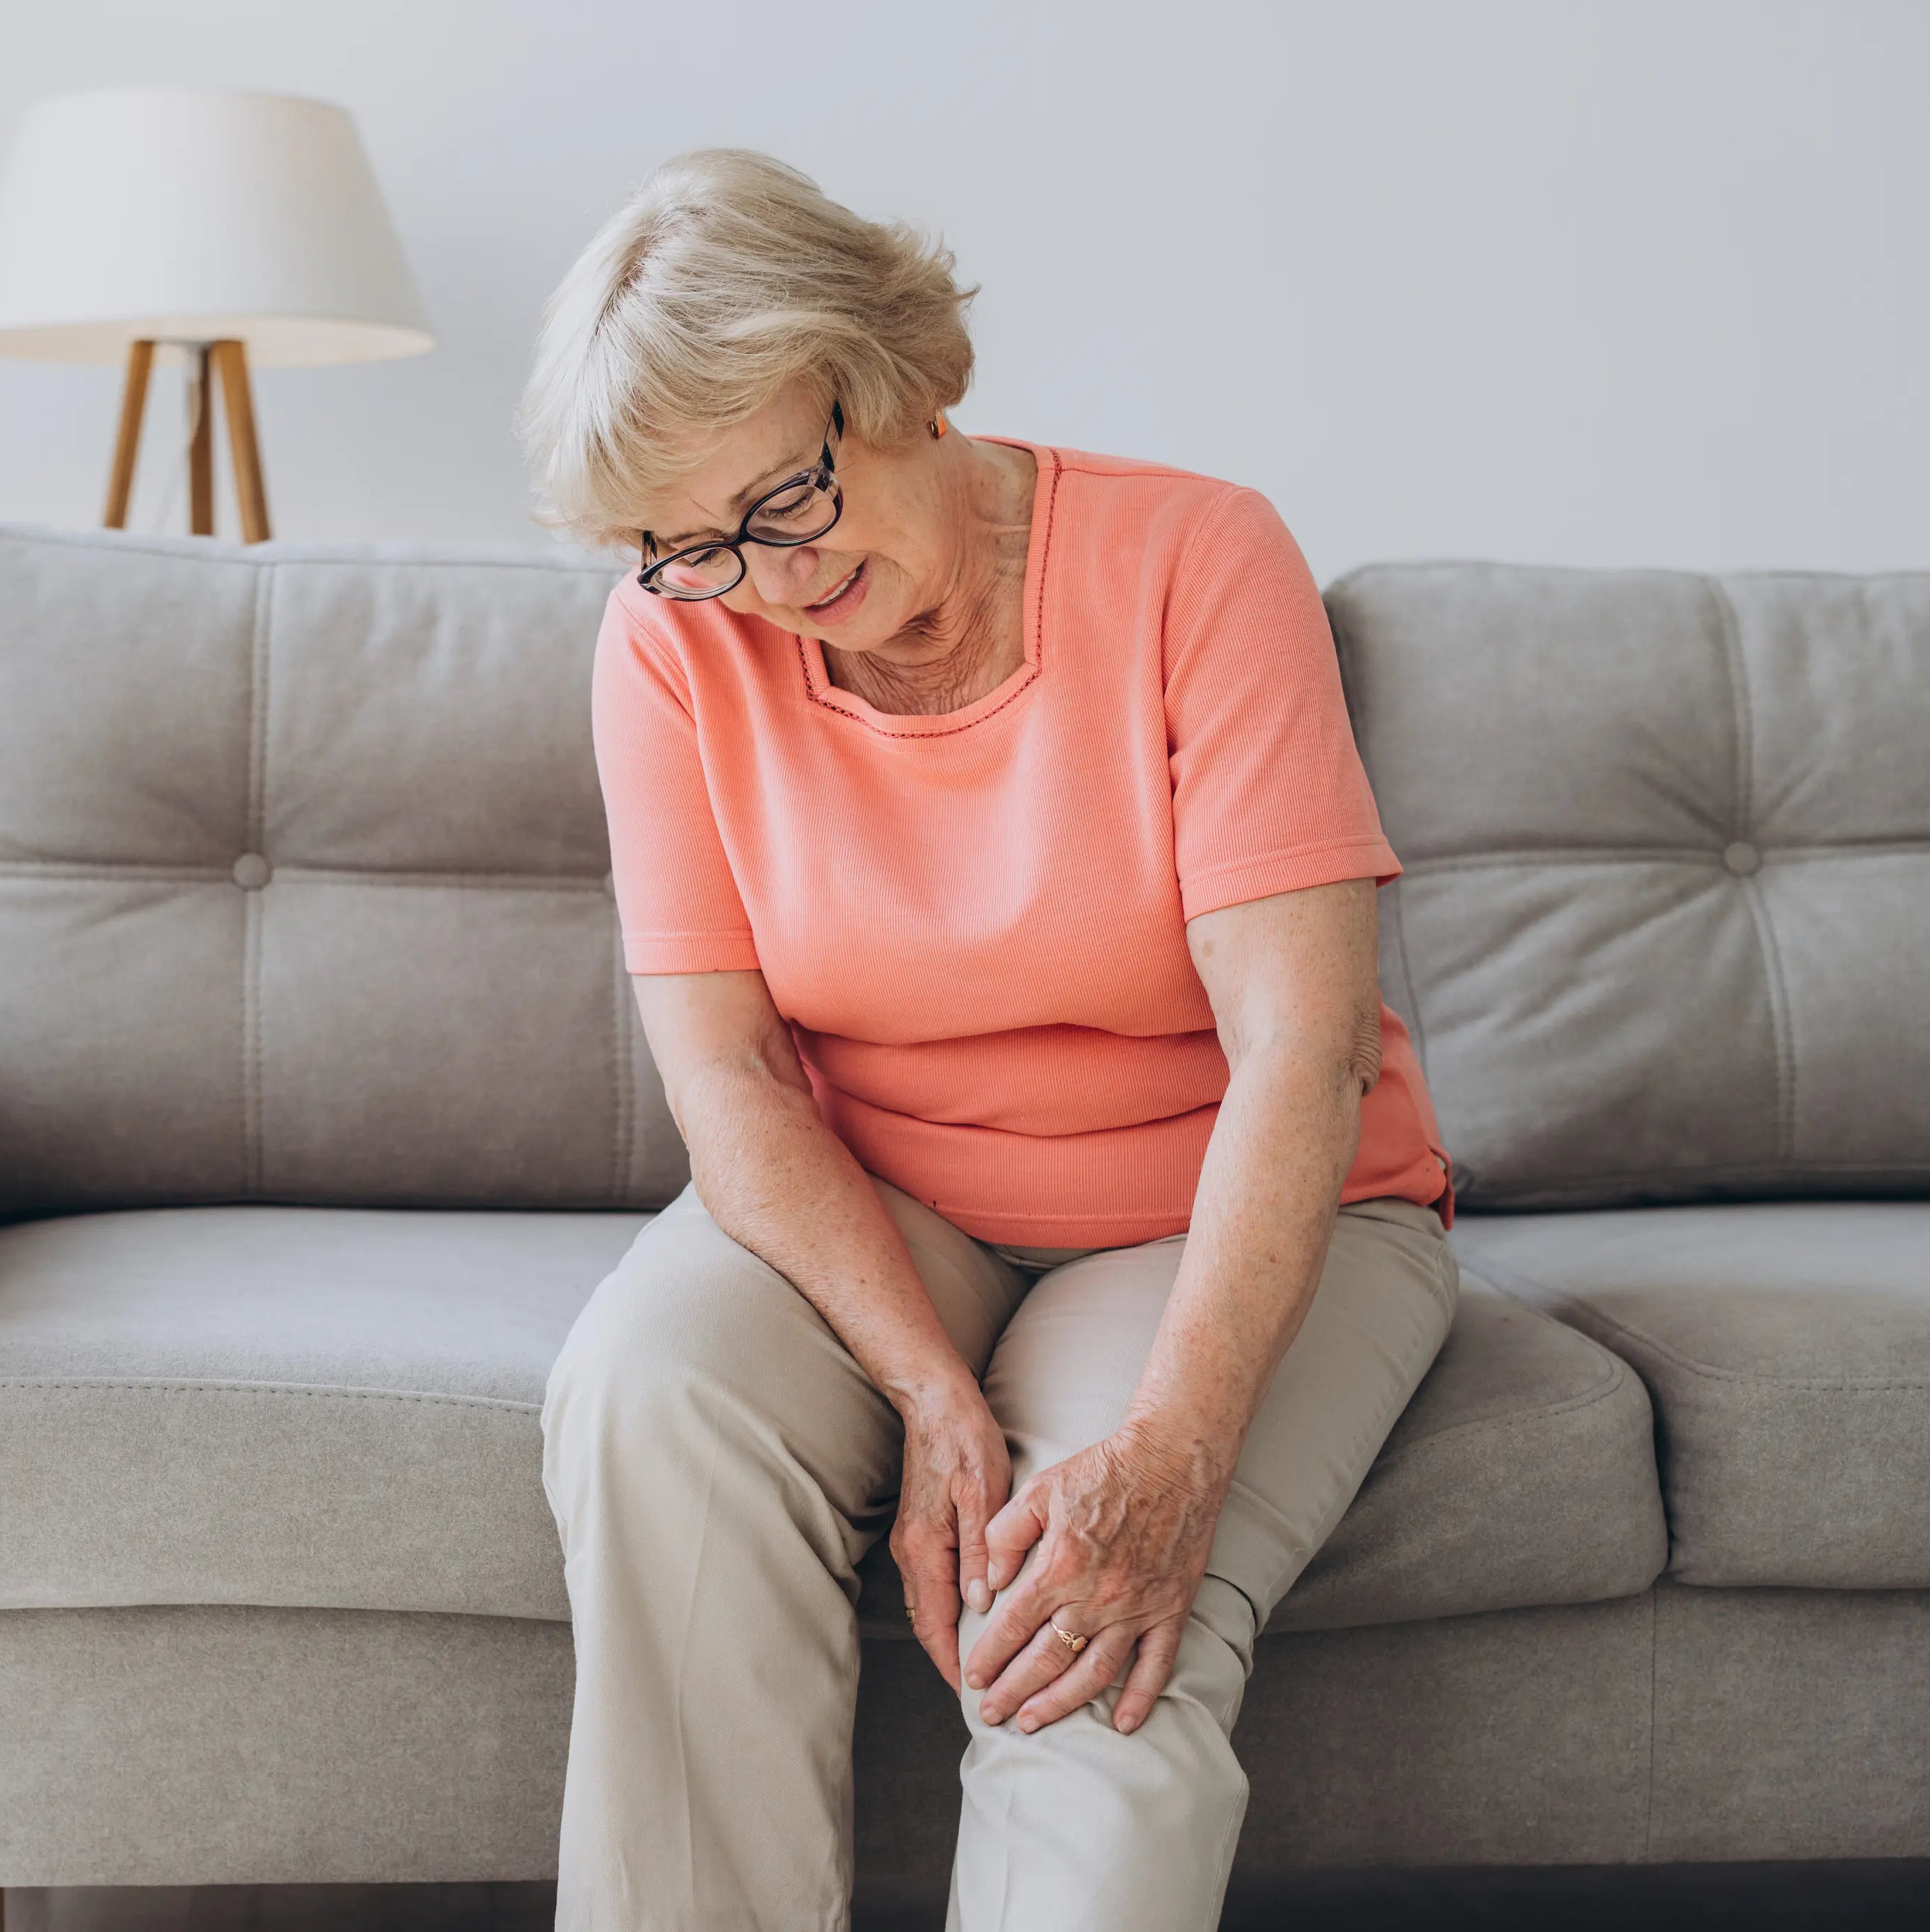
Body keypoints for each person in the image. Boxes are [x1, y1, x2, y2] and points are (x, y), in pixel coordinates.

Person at [518, 149, 1458, 1932]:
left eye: (784, 501)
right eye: (691, 545)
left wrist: (1168, 1453)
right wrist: (920, 1386)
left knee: (1079, 1618)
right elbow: (723, 1079)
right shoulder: (671, 647)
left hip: (1222, 1192)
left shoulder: (1194, 556)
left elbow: (1299, 1044)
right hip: (881, 1199)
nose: (762, 582)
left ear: (898, 380)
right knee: (649, 1394)